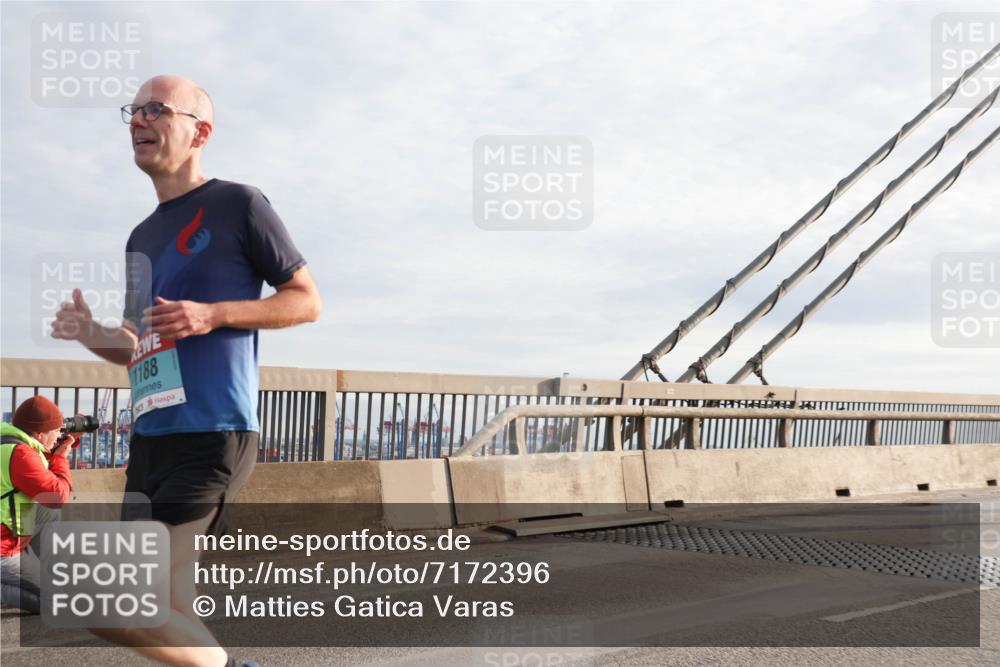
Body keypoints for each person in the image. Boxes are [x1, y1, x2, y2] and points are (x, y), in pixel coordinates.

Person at [50, 74, 322, 667]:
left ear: (200, 132)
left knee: (112, 605)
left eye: (155, 109)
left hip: (211, 430)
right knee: (171, 610)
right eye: (133, 111)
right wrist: (88, 331)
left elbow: (305, 299)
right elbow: (134, 345)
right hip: (150, 441)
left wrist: (211, 314)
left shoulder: (239, 204)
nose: (137, 121)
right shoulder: (141, 237)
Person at [1, 396, 75, 613]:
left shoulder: (9, 442)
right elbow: (57, 496)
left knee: (46, 513)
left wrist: (60, 448)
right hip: (3, 549)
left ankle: (46, 576)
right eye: (56, 431)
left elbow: (38, 468)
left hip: (8, 533)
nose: (59, 435)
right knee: (57, 603)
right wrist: (61, 457)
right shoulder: (21, 454)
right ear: (39, 434)